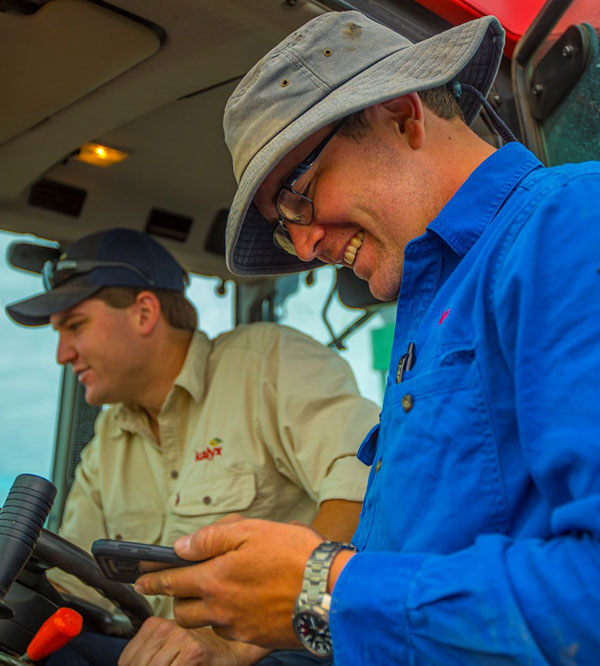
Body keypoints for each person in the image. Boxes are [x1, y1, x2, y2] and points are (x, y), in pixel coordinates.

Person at [133, 8, 600, 665]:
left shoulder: (570, 224)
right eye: (283, 228)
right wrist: (243, 636)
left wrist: (322, 594)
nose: (305, 246)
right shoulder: (430, 313)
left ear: (402, 115)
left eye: (298, 196)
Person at [5, 227, 379, 666]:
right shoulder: (108, 441)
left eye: (75, 326)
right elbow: (80, 583)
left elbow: (367, 490)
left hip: (283, 648)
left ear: (144, 313)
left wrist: (240, 642)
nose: (62, 354)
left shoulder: (268, 364)